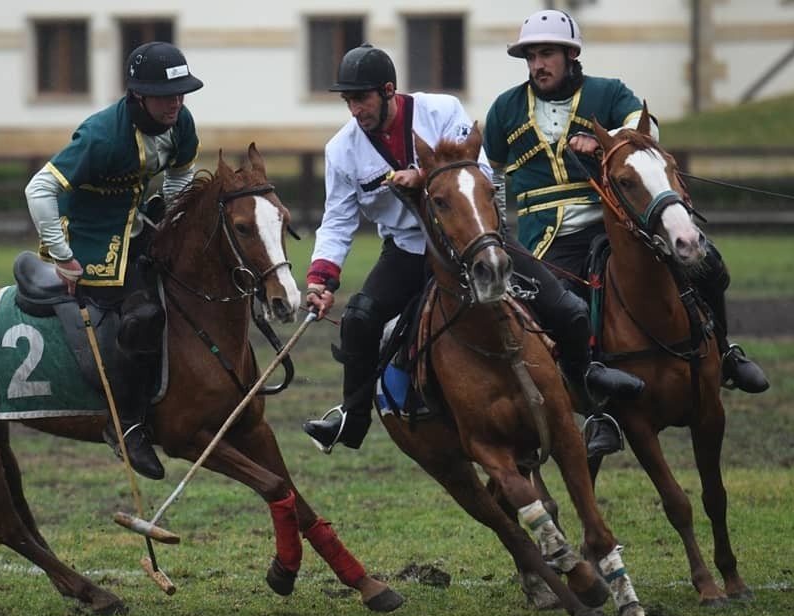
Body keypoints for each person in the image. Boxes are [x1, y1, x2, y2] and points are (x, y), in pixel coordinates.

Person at [302, 44, 644, 455]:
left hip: (476, 239)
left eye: (361, 99)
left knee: (568, 309)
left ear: (389, 90)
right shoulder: (340, 150)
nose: (355, 110)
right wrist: (321, 279)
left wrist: (425, 177)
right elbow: (338, 221)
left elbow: (479, 172)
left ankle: (590, 397)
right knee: (359, 319)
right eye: (348, 101)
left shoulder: (441, 111)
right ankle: (353, 418)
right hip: (410, 251)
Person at [483, 10, 768, 449]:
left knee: (707, 265)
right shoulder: (505, 109)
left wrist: (606, 139)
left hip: (616, 223)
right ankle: (599, 410)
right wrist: (500, 231)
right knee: (564, 307)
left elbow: (648, 130)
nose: (538, 64)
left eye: (547, 54)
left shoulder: (608, 92)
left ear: (570, 55)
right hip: (548, 237)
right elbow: (493, 175)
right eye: (531, 56)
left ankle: (726, 354)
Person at [24, 41, 204, 480]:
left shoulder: (180, 122)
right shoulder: (102, 135)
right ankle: (127, 426)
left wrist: (171, 207)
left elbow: (182, 170)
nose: (176, 104)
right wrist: (63, 259)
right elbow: (38, 190)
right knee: (141, 315)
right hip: (86, 236)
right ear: (138, 95)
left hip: (136, 226)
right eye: (167, 96)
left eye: (182, 94)